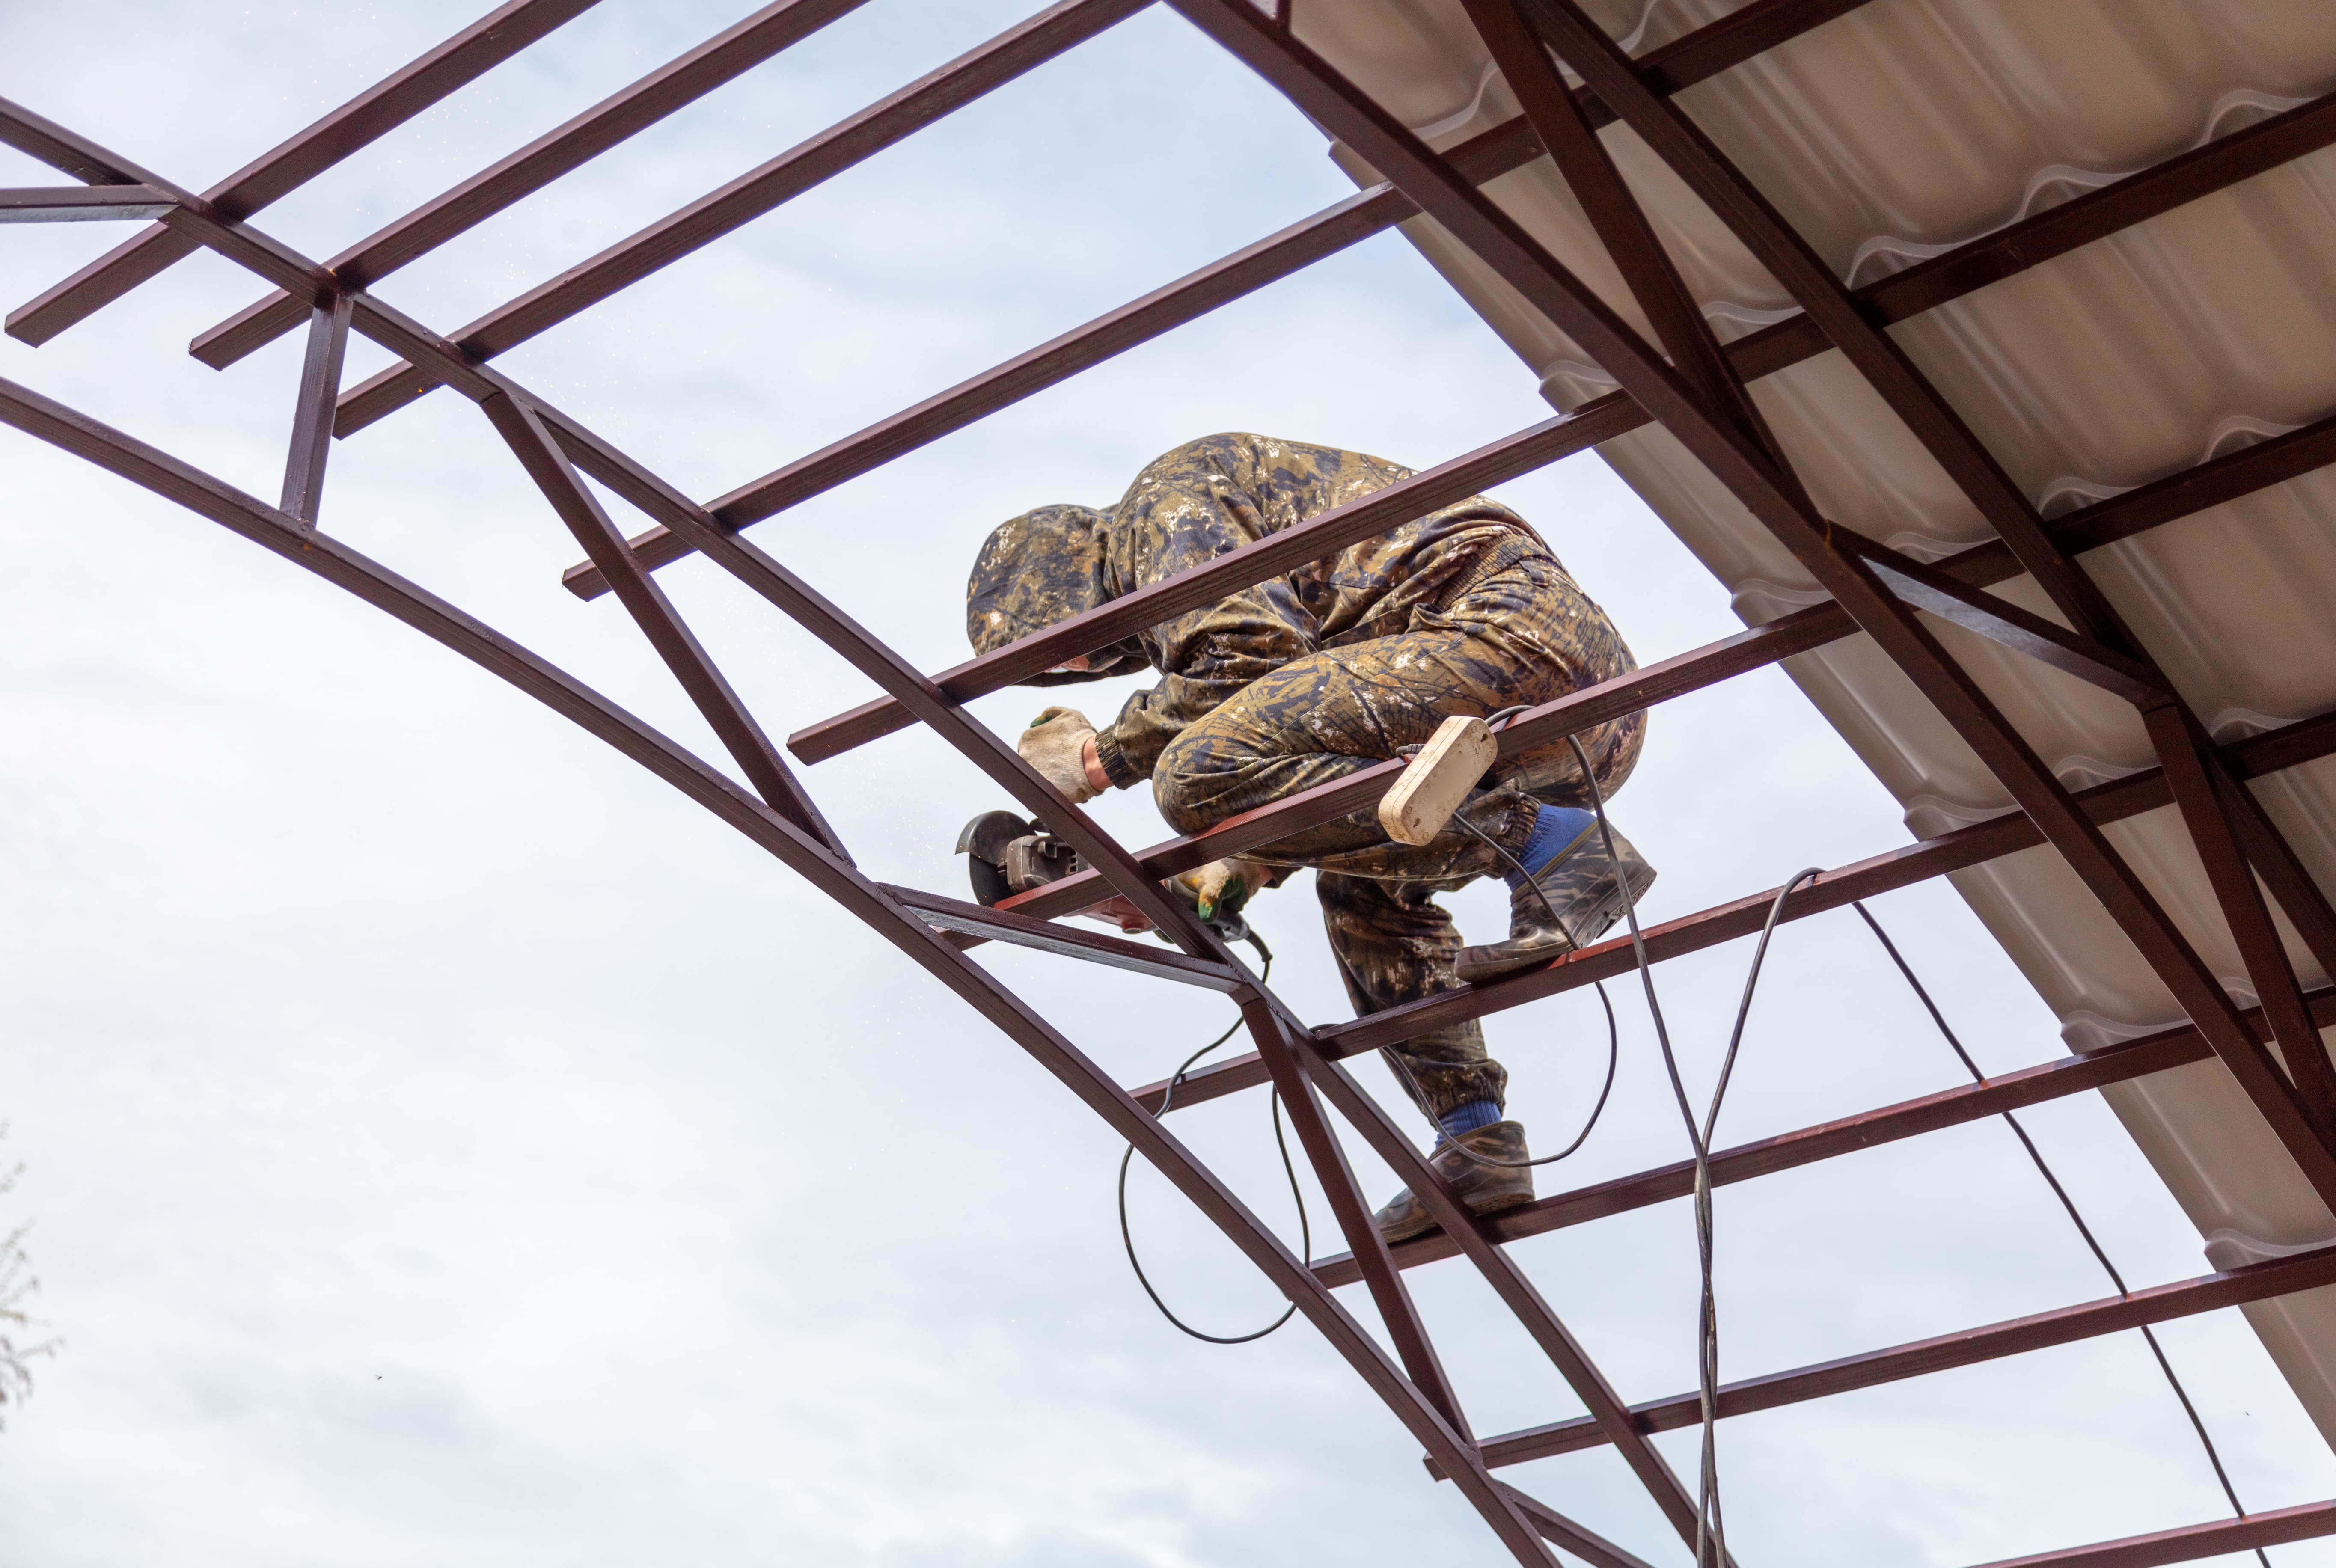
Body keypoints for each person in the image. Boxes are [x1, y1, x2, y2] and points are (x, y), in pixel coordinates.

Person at [967, 433, 1652, 1240]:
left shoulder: (1161, 506)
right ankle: (1475, 1139)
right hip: (1559, 716)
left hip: (1502, 648)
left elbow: (1244, 661)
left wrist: (1095, 760)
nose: (1082, 667)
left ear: (1064, 580)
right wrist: (1208, 883)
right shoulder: (1220, 564)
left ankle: (1550, 846)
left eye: (1061, 649)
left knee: (1190, 775)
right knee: (1363, 889)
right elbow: (1305, 751)